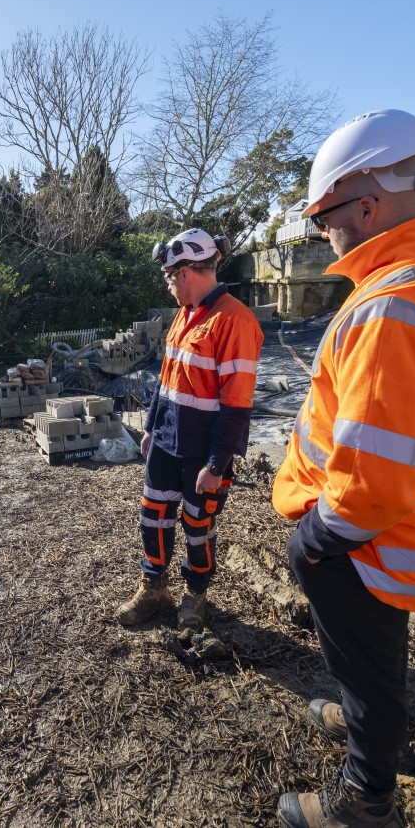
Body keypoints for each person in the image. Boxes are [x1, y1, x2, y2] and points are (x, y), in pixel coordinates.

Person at [272, 110, 415, 828]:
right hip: (401, 529)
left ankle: (366, 800)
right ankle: (361, 714)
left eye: (326, 216)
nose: (324, 234)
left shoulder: (395, 304)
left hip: (371, 537)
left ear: (367, 204)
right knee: (370, 651)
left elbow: (373, 480)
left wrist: (314, 540)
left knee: (367, 660)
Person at [115, 227, 264, 631]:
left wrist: (217, 463)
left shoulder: (236, 321)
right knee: (154, 516)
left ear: (185, 272)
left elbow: (237, 404)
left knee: (198, 528)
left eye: (169, 277)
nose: (168, 286)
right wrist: (150, 428)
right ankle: (154, 587)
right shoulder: (185, 315)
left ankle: (195, 596)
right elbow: (166, 381)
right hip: (166, 442)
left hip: (203, 452)